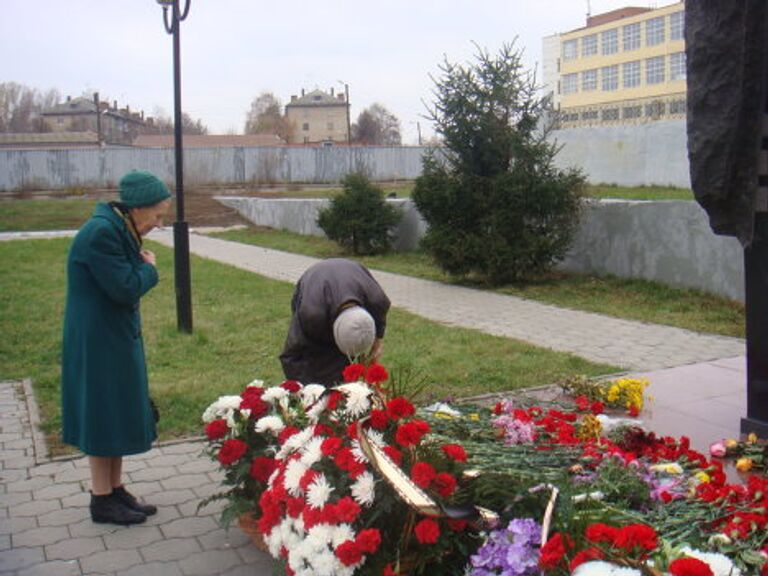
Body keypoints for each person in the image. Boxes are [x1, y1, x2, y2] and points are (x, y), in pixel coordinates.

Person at [61, 170, 171, 525]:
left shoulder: (118, 227)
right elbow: (124, 287)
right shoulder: (101, 233)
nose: (159, 222)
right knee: (102, 412)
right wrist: (150, 269)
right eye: (157, 215)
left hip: (114, 335)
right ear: (136, 208)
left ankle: (115, 488)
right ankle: (101, 498)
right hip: (98, 342)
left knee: (118, 411)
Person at [280, 258, 391, 386]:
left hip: (351, 273)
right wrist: (307, 391)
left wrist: (375, 346)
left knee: (338, 365)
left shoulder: (377, 301)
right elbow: (292, 356)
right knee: (318, 356)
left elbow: (379, 328)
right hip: (313, 281)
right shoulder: (310, 313)